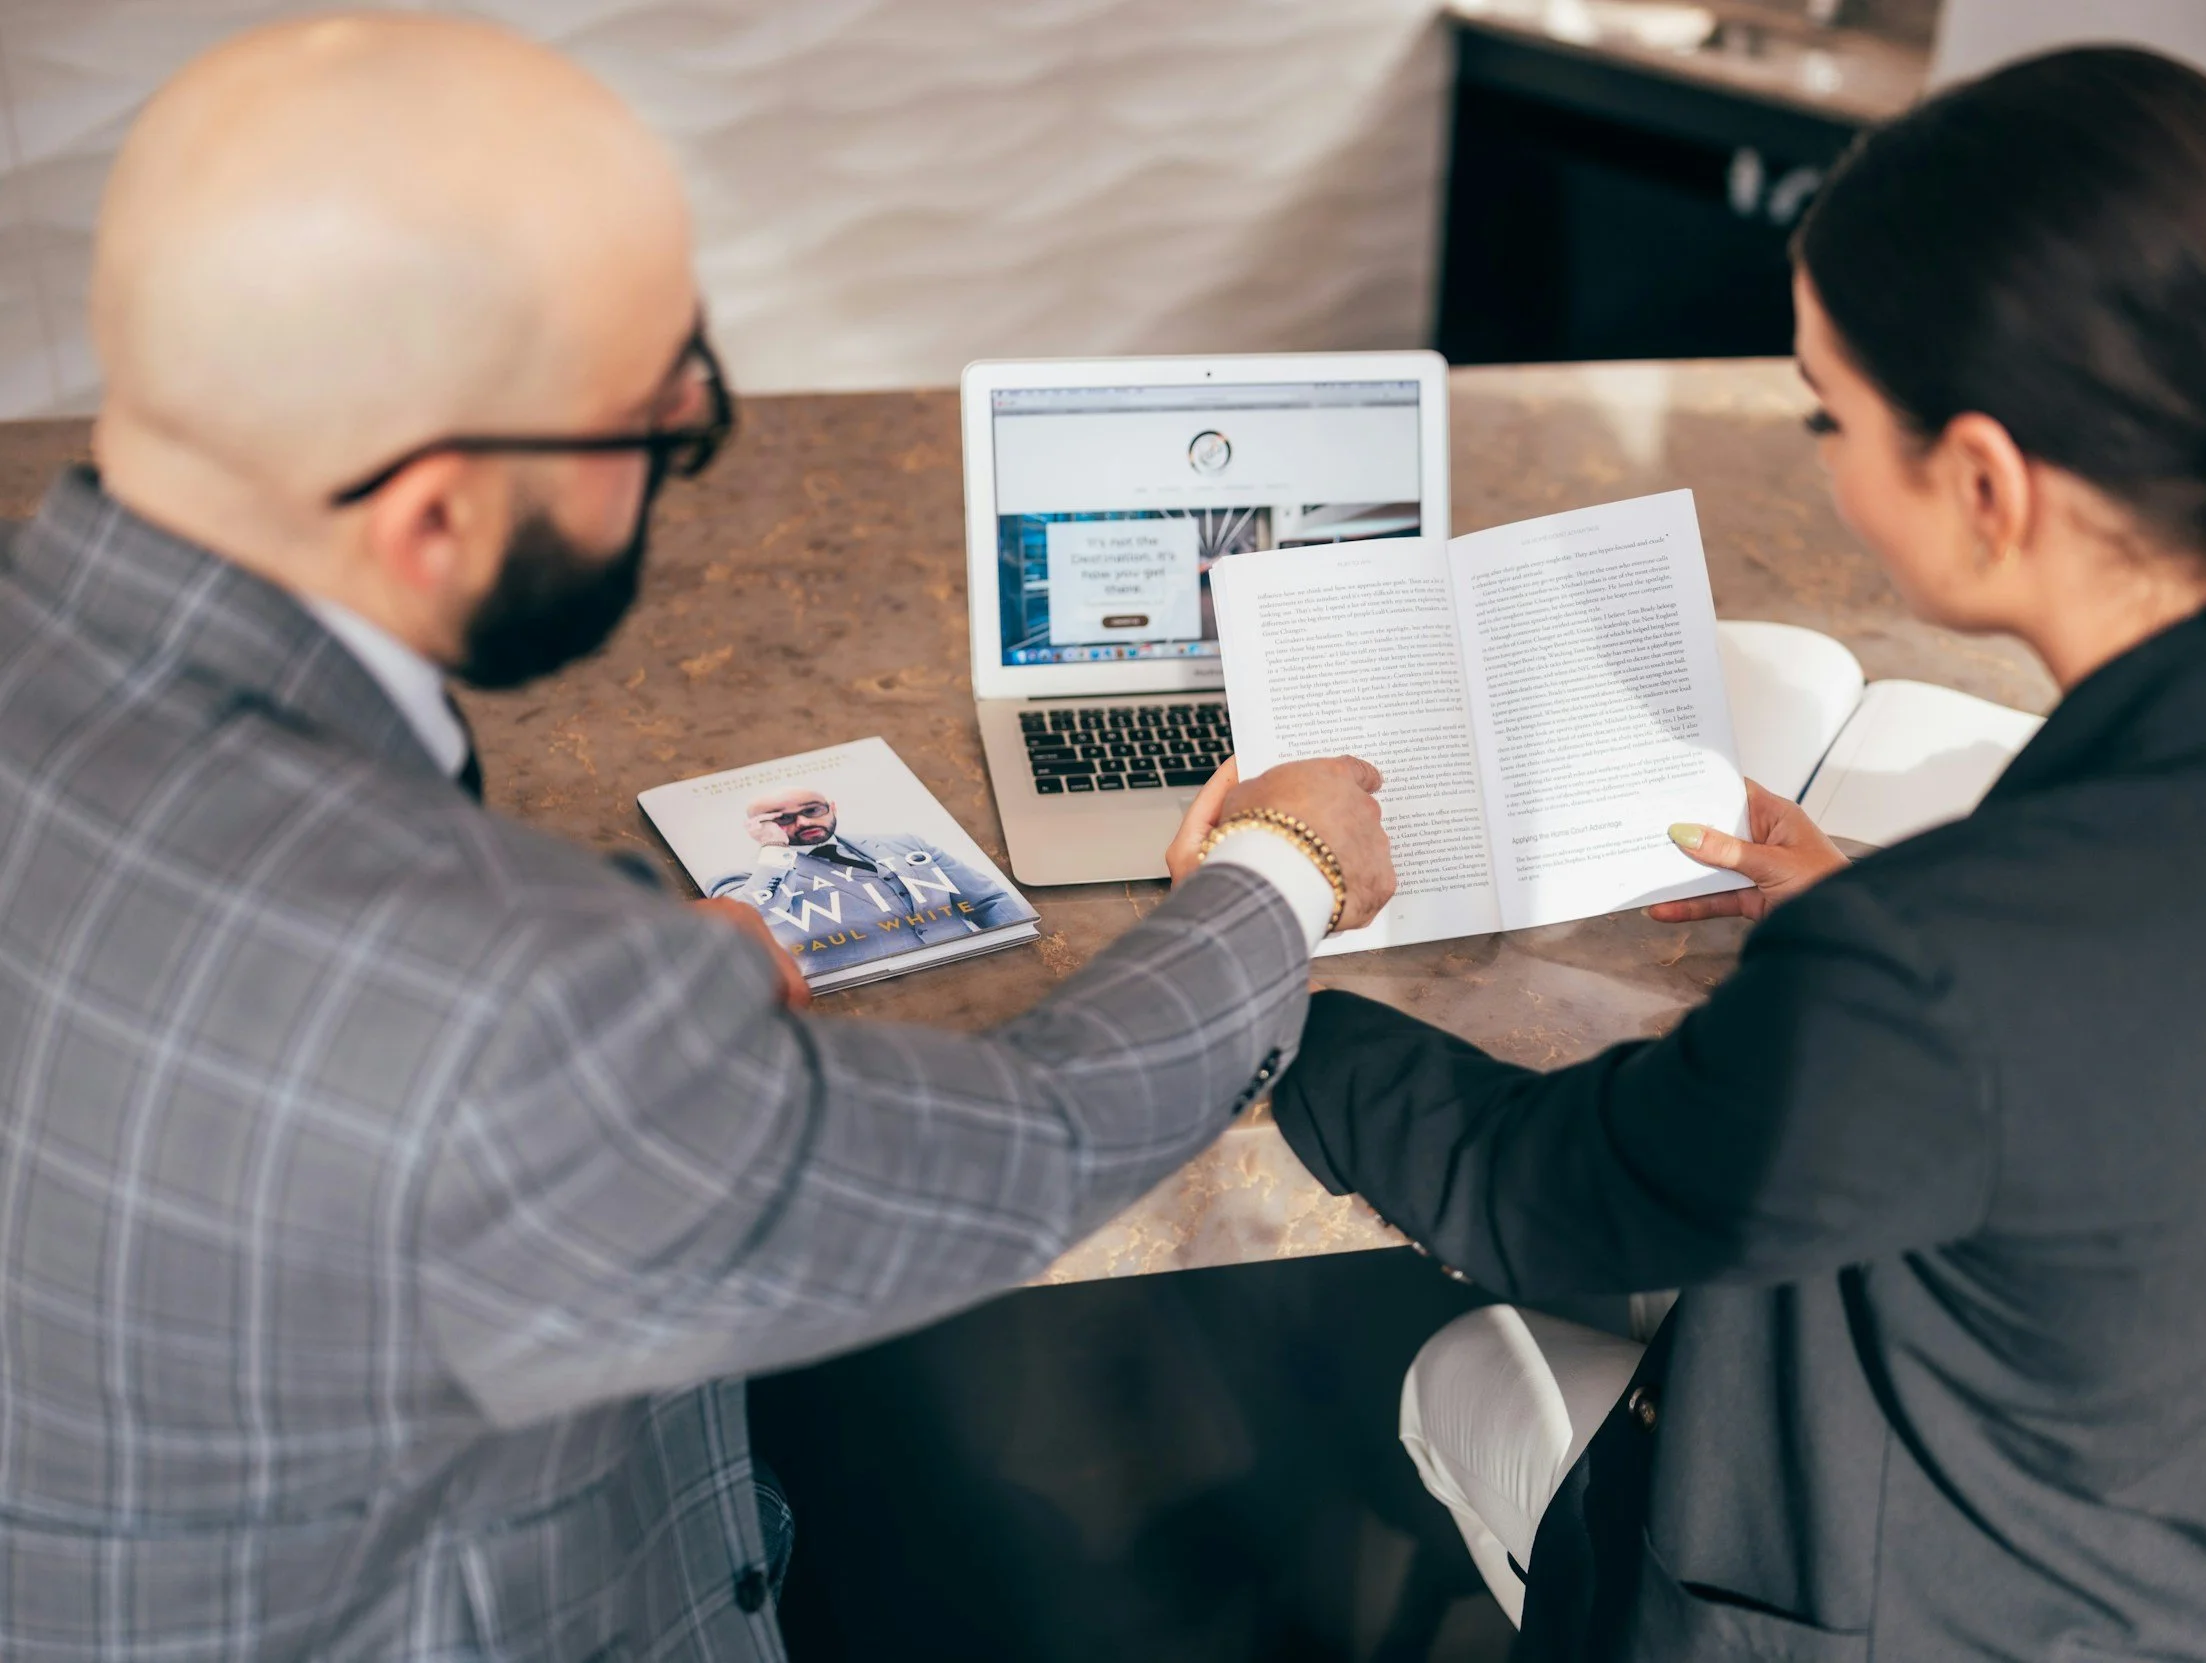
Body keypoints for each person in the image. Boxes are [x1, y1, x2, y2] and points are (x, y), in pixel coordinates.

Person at [0, 15, 1392, 1660]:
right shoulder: (522, 1012)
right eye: (663, 430)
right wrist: (1280, 870)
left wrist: (615, 1021)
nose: (675, 463)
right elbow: (1021, 1139)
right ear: (433, 509)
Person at [1266, 46, 2206, 1662]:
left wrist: (1263, 958)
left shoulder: (1939, 969)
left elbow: (1538, 1189)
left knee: (1464, 1364)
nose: (1824, 458)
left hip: (1957, 1619)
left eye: (1828, 412)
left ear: (1983, 479)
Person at [713, 787, 1025, 969]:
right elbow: (750, 920)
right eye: (783, 818)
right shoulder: (742, 878)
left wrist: (1015, 953)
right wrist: (774, 848)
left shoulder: (903, 843)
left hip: (979, 967)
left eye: (813, 809)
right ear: (756, 826)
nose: (804, 821)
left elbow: (989, 901)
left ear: (832, 807)